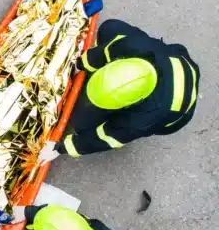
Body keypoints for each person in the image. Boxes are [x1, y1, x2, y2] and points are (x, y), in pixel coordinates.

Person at [39, 19, 200, 163]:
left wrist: (61, 148)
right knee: (110, 28)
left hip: (173, 116)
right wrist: (78, 65)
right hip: (173, 59)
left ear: (130, 104)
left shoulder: (142, 119)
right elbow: (107, 51)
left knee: (81, 122)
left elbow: (107, 137)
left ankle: (103, 114)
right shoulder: (133, 46)